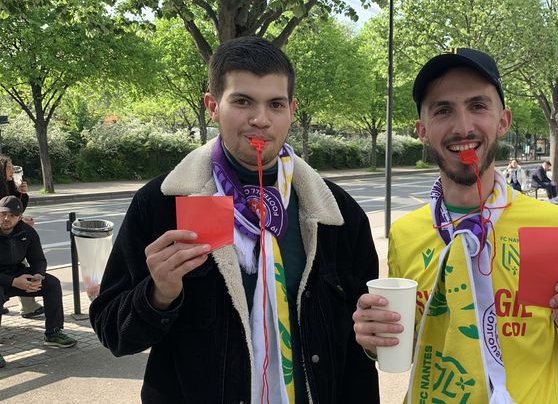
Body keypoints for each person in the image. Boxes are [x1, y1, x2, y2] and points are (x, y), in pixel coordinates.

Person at [89, 36, 379, 403]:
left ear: (292, 109)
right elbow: (112, 332)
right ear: (212, 106)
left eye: (275, 104)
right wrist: (158, 295)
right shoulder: (161, 203)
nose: (260, 119)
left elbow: (361, 348)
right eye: (242, 101)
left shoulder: (337, 213)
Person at [352, 48, 558, 403]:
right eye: (443, 110)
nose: (463, 126)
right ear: (422, 131)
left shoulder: (554, 225)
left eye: (478, 106)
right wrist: (375, 339)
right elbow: (412, 340)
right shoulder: (405, 232)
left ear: (502, 120)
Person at [1, 195, 77, 368]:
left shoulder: (27, 232)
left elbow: (38, 260)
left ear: (19, 217)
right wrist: (13, 282)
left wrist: (37, 276)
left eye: (11, 215)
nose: (6, 218)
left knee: (51, 284)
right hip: (4, 279)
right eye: (3, 214)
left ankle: (53, 333)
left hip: (17, 273)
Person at [0, 155, 44, 319]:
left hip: (13, 234)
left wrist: (22, 194)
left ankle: (29, 306)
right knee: (17, 265)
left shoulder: (9, 185)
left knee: (20, 265)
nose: (13, 170)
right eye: (9, 168)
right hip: (5, 237)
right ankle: (29, 306)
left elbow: (18, 209)